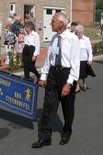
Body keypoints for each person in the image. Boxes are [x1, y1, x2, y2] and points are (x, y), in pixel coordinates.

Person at [32, 12, 80, 148]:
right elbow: (49, 58)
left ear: (61, 23)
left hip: (67, 74)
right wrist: (43, 76)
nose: (50, 23)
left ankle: (67, 131)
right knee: (49, 105)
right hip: (53, 74)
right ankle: (45, 137)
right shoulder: (54, 38)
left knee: (67, 107)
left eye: (53, 21)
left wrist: (69, 83)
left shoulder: (72, 39)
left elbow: (75, 63)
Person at [74, 25, 94, 92]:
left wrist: (90, 59)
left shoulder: (86, 39)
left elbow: (89, 50)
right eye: (76, 32)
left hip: (83, 59)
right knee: (76, 73)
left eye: (79, 32)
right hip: (75, 60)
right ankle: (77, 85)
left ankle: (84, 82)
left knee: (83, 74)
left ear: (82, 32)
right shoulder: (74, 39)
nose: (77, 34)